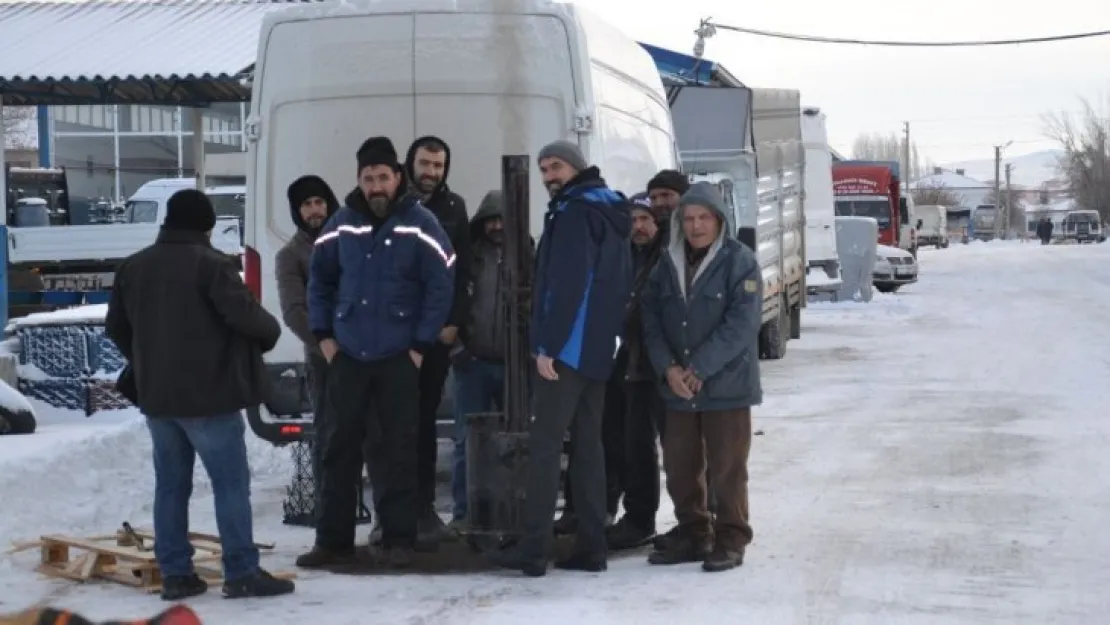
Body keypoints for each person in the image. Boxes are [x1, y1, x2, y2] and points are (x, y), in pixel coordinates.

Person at [105, 189, 294, 600]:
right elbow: (249, 319)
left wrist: (149, 360)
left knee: (170, 486)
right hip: (210, 397)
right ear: (207, 226)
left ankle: (175, 575)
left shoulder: (133, 267)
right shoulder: (212, 265)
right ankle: (242, 572)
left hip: (158, 400)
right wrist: (270, 333)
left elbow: (117, 328)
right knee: (230, 485)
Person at [295, 136, 455, 569]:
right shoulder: (341, 223)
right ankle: (333, 541)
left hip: (399, 358)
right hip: (347, 357)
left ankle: (399, 538)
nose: (376, 185)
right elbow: (320, 282)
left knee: (398, 450)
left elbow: (441, 286)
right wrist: (324, 335)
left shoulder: (421, 223)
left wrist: (420, 345)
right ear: (360, 180)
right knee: (337, 449)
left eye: (383, 176)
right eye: (368, 178)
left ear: (397, 177)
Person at [488, 140, 631, 577]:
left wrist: (547, 345)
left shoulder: (573, 213)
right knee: (589, 447)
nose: (549, 176)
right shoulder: (611, 211)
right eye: (544, 169)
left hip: (566, 351)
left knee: (545, 448)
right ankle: (592, 547)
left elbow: (566, 287)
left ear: (576, 168)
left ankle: (532, 551)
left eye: (556, 167)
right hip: (597, 349)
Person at [640, 182, 763, 573]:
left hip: (724, 386)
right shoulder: (667, 264)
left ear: (719, 220)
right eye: (688, 219)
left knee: (726, 468)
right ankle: (694, 531)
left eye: (703, 218)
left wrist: (700, 369)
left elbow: (741, 325)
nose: (695, 226)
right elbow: (651, 319)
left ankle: (730, 537)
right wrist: (668, 368)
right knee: (680, 466)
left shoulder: (739, 261)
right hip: (677, 386)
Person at [449, 190, 534, 529]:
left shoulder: (529, 256)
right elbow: (450, 303)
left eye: (503, 220)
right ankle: (464, 514)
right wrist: (457, 351)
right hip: (474, 364)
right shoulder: (467, 259)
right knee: (465, 442)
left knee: (518, 441)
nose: (497, 226)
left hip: (517, 367)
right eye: (491, 220)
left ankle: (516, 513)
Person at [403, 136, 472, 543]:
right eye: (425, 163)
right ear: (410, 163)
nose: (431, 172)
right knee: (391, 427)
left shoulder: (453, 207)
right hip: (392, 336)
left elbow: (461, 268)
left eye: (438, 165)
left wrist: (454, 322)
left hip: (433, 337)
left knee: (425, 425)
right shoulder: (393, 204)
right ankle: (393, 515)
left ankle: (425, 510)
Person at [274, 175, 339, 514]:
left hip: (363, 354)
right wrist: (324, 344)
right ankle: (329, 511)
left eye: (319, 202)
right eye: (307, 205)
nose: (315, 210)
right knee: (328, 436)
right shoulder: (291, 255)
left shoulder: (348, 241)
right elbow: (294, 311)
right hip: (323, 359)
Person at [606, 192, 667, 551]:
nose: (638, 226)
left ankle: (697, 521)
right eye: (633, 220)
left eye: (645, 219)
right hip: (629, 363)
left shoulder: (664, 261)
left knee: (668, 449)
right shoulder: (625, 258)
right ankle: (638, 517)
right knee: (631, 444)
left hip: (657, 365)